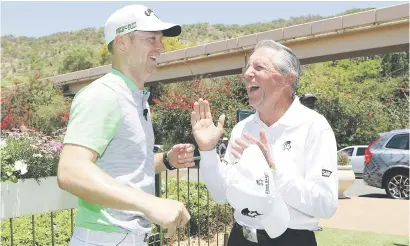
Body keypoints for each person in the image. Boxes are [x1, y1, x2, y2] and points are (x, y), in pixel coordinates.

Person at [57, 5, 193, 246]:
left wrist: (167, 160)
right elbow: (70, 171)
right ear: (121, 43)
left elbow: (124, 170)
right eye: (151, 38)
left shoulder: (135, 98)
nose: (160, 47)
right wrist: (149, 203)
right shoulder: (104, 94)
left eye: (160, 39)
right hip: (106, 238)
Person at [191, 40, 338, 245]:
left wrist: (272, 170)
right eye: (248, 67)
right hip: (241, 238)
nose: (247, 74)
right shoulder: (242, 129)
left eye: (259, 67)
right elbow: (221, 195)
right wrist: (207, 151)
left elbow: (326, 204)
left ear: (287, 79)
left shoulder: (314, 126)